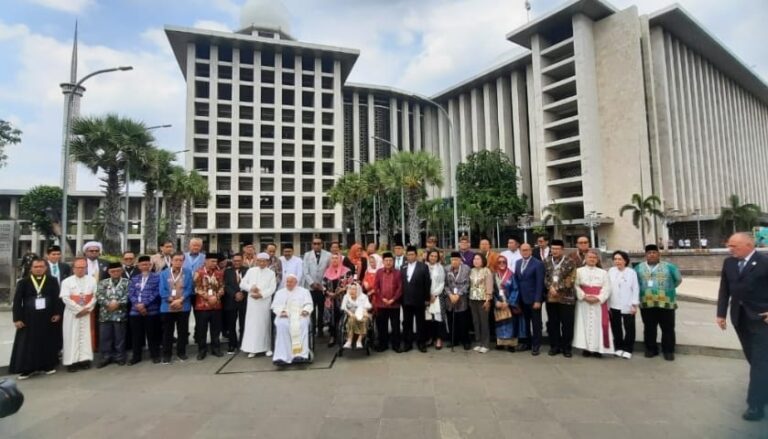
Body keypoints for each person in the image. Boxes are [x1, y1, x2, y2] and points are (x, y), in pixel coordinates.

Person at [717, 233, 768, 421]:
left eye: (734, 246)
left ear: (748, 245)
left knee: (760, 362)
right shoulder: (729, 263)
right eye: (729, 246)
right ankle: (763, 389)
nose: (730, 249)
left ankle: (755, 405)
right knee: (754, 359)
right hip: (739, 319)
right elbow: (724, 289)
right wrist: (721, 313)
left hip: (762, 320)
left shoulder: (764, 262)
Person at [10, 258, 63, 379]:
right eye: (36, 267)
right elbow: (17, 301)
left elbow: (56, 298)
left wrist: (57, 313)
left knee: (47, 341)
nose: (38, 269)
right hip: (28, 317)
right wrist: (17, 319)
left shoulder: (52, 280)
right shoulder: (23, 282)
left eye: (41, 267)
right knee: (27, 343)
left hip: (47, 316)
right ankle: (27, 369)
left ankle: (47, 365)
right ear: (31, 268)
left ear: (45, 268)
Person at [635, 244, 682, 361]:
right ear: (645, 255)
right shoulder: (638, 268)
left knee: (668, 328)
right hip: (646, 303)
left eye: (654, 252)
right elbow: (635, 283)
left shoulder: (669, 267)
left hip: (666, 303)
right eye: (649, 253)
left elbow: (678, 280)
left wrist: (668, 290)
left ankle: (668, 351)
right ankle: (651, 349)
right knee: (649, 327)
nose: (652, 254)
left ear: (659, 254)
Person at [60, 257, 97, 372]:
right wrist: (78, 309)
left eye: (83, 267)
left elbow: (96, 296)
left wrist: (87, 308)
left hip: (87, 312)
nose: (81, 270)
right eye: (78, 267)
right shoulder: (67, 281)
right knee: (71, 337)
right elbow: (65, 298)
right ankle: (71, 362)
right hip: (72, 314)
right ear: (73, 268)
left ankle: (84, 360)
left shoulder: (92, 280)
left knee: (86, 336)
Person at [573, 250, 613, 357]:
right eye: (590, 257)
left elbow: (607, 288)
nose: (592, 259)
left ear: (597, 260)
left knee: (598, 325)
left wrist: (599, 298)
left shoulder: (603, 272)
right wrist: (584, 296)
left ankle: (597, 349)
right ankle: (586, 348)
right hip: (584, 302)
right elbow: (575, 286)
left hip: (598, 303)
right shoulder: (578, 271)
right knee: (584, 324)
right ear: (585, 259)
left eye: (594, 258)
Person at [544, 239, 578, 358]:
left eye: (557, 249)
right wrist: (550, 288)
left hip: (566, 298)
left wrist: (557, 288)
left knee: (567, 324)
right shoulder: (547, 261)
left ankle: (566, 348)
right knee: (553, 323)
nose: (555, 251)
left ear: (562, 250)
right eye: (553, 249)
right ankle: (554, 346)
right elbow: (546, 277)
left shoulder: (570, 261)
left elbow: (571, 279)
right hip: (551, 298)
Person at [239, 252, 277, 358]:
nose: (262, 263)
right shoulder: (251, 271)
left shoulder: (271, 273)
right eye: (260, 261)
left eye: (264, 261)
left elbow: (272, 288)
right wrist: (251, 287)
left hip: (264, 302)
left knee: (265, 324)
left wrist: (261, 295)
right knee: (252, 325)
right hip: (252, 303)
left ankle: (267, 348)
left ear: (268, 262)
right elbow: (242, 283)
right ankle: (252, 348)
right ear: (257, 261)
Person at [159, 252, 194, 364]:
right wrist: (171, 300)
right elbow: (162, 290)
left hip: (183, 306)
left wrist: (180, 300)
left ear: (183, 261)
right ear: (172, 261)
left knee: (182, 331)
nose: (178, 262)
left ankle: (181, 352)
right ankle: (167, 354)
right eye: (176, 260)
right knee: (167, 332)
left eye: (181, 260)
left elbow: (189, 288)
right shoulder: (164, 273)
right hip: (167, 306)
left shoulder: (188, 273)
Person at [271, 274, 314, 366]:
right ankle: (282, 356)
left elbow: (309, 304)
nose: (289, 283)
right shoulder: (280, 293)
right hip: (285, 315)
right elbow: (275, 306)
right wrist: (281, 312)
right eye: (287, 281)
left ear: (296, 282)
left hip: (300, 315)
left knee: (302, 325)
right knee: (282, 325)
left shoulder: (304, 291)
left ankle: (300, 355)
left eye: (291, 282)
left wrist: (306, 311)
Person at [127, 255, 162, 365]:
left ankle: (155, 355)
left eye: (147, 264)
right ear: (139, 266)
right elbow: (130, 293)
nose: (145, 266)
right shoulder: (134, 278)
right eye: (143, 264)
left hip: (151, 310)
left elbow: (156, 293)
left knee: (152, 334)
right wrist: (137, 305)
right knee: (136, 335)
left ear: (151, 265)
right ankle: (136, 356)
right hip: (135, 311)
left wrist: (144, 304)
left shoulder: (157, 277)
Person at [95, 262, 129, 368]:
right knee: (105, 337)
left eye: (118, 271)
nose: (115, 273)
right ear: (109, 272)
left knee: (120, 337)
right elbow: (98, 295)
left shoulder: (127, 282)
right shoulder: (102, 283)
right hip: (105, 314)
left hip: (120, 314)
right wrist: (107, 303)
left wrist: (118, 303)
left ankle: (119, 357)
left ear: (121, 271)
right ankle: (106, 357)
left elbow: (129, 295)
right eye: (112, 271)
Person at [608, 251, 640, 359]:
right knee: (616, 327)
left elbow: (635, 288)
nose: (617, 261)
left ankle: (628, 349)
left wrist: (634, 304)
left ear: (625, 260)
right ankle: (618, 347)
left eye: (620, 259)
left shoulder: (631, 272)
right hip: (614, 304)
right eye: (615, 259)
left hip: (628, 304)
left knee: (629, 328)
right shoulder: (611, 271)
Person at [514, 243, 545, 355]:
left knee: (536, 323)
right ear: (520, 251)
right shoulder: (518, 263)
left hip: (533, 299)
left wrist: (538, 300)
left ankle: (536, 345)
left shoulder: (538, 264)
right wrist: (516, 300)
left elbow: (539, 283)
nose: (525, 252)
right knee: (525, 323)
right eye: (523, 250)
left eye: (527, 250)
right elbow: (517, 281)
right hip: (522, 299)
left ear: (531, 251)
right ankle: (527, 343)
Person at [193, 253, 225, 360]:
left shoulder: (219, 273)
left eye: (216, 261)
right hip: (202, 306)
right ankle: (202, 350)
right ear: (205, 261)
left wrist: (216, 297)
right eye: (212, 261)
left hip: (216, 305)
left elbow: (222, 287)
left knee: (216, 329)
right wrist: (207, 297)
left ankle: (216, 349)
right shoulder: (199, 272)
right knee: (202, 330)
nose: (214, 263)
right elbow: (196, 288)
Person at [401, 245, 431, 353]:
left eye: (412, 254)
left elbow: (427, 283)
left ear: (416, 255)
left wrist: (427, 298)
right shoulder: (403, 267)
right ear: (406, 256)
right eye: (408, 254)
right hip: (406, 300)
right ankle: (407, 343)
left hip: (419, 299)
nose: (410, 256)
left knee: (420, 323)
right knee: (407, 323)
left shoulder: (423, 266)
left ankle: (421, 343)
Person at [322, 254, 354, 346]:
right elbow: (323, 285)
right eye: (333, 258)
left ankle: (344, 336)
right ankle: (333, 337)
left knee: (343, 318)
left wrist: (342, 290)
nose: (334, 260)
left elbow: (352, 284)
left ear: (340, 260)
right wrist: (328, 293)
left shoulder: (347, 271)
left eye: (337, 258)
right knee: (332, 318)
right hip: (330, 299)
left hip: (343, 299)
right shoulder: (327, 271)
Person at [493, 255, 524, 351]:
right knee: (500, 323)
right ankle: (501, 343)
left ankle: (511, 344)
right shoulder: (494, 275)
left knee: (511, 324)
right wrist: (496, 302)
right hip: (498, 304)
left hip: (509, 304)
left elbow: (516, 289)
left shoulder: (511, 275)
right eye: (499, 262)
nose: (502, 264)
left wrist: (509, 302)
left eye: (504, 262)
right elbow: (491, 291)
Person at [374, 252, 403, 352]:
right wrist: (383, 298)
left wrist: (393, 299)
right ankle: (383, 344)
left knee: (395, 326)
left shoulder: (398, 273)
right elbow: (376, 287)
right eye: (386, 260)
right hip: (381, 304)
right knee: (382, 325)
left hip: (394, 304)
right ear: (383, 262)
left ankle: (396, 345)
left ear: (393, 262)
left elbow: (400, 288)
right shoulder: (379, 272)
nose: (388, 262)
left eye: (390, 260)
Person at [303, 237, 331, 336]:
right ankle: (312, 328)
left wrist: (322, 284)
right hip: (311, 287)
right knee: (312, 309)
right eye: (314, 243)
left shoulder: (328, 255)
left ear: (322, 244)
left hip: (322, 287)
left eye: (319, 243)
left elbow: (329, 271)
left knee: (322, 309)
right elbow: (305, 271)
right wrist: (312, 283)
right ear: (312, 245)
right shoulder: (307, 255)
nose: (317, 245)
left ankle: (320, 329)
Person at [444, 252, 471, 350]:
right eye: (452, 260)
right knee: (451, 320)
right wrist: (450, 295)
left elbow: (467, 284)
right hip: (450, 299)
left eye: (456, 260)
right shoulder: (446, 269)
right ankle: (453, 340)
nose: (454, 262)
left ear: (460, 260)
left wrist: (458, 294)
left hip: (462, 299)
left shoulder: (466, 269)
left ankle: (465, 341)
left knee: (463, 321)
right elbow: (445, 284)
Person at [223, 253, 249, 354]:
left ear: (242, 260)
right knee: (231, 325)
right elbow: (226, 285)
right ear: (232, 261)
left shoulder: (248, 270)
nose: (237, 262)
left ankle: (243, 343)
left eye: (239, 260)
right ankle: (232, 345)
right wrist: (235, 294)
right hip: (231, 301)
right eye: (235, 261)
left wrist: (242, 293)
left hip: (244, 301)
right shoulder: (227, 271)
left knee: (243, 324)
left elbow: (250, 283)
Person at [469, 253, 493, 353]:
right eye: (474, 259)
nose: (476, 261)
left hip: (483, 300)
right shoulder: (471, 270)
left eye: (478, 259)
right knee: (476, 321)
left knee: (484, 322)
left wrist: (488, 300)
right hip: (472, 299)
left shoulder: (487, 271)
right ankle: (478, 342)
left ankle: (485, 344)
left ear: (483, 260)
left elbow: (489, 286)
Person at [425, 249, 447, 350]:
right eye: (431, 256)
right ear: (428, 256)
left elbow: (442, 283)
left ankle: (439, 339)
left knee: (438, 318)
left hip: (437, 296)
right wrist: (427, 295)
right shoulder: (423, 266)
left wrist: (434, 294)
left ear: (438, 258)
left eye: (435, 256)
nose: (433, 258)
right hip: (426, 297)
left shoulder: (440, 268)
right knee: (428, 319)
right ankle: (430, 338)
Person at [340, 283, 372, 349]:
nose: (352, 291)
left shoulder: (363, 297)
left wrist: (364, 311)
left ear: (358, 290)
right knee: (352, 319)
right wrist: (350, 313)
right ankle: (349, 340)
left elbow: (367, 306)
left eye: (354, 289)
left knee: (365, 320)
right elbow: (343, 307)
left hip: (361, 314)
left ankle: (359, 340)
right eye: (351, 289)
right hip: (350, 314)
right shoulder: (346, 297)